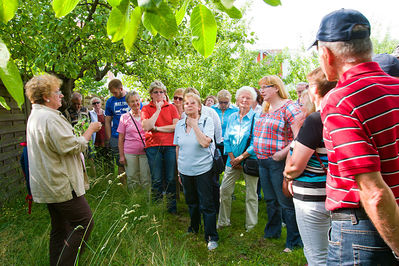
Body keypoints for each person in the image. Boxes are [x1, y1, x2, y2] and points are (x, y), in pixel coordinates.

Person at [312, 8, 399, 264]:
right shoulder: (394, 88)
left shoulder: (342, 99)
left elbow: (374, 192)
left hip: (366, 229)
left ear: (326, 54)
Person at [25, 74, 102, 266]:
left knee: (60, 228)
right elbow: (71, 146)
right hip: (61, 183)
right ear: (46, 96)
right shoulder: (48, 118)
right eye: (57, 92)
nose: (61, 95)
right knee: (85, 222)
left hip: (50, 182)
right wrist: (90, 130)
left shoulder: (38, 115)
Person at [283, 68, 336, 266]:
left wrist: (288, 177)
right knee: (333, 251)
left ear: (315, 91)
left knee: (317, 256)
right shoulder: (342, 115)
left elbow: (295, 165)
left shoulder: (316, 120)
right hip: (334, 194)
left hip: (312, 199)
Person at [253, 75, 302, 253]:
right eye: (261, 87)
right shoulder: (265, 108)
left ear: (276, 88)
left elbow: (300, 136)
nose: (262, 91)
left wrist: (282, 153)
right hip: (263, 161)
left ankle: (294, 240)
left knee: (285, 202)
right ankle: (272, 232)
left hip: (278, 162)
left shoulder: (289, 107)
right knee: (270, 199)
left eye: (265, 87)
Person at [173, 93, 219, 250]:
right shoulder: (179, 125)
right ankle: (193, 228)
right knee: (191, 202)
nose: (189, 105)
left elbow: (205, 143)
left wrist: (194, 125)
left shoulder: (207, 121)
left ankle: (211, 236)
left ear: (199, 106)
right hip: (185, 170)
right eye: (186, 103)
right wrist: (179, 170)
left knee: (207, 204)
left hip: (203, 170)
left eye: (193, 103)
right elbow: (178, 147)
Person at [217, 86, 259, 231]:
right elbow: (226, 139)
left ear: (253, 101)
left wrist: (241, 158)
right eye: (242, 97)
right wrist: (232, 158)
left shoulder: (256, 117)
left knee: (251, 194)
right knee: (224, 190)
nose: (245, 100)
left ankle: (251, 226)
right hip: (231, 161)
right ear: (237, 99)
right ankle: (223, 221)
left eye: (248, 98)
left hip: (249, 161)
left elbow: (256, 143)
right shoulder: (232, 117)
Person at [141, 80, 180, 214]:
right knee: (156, 178)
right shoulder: (146, 108)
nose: (159, 94)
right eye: (156, 92)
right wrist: (157, 110)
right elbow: (146, 126)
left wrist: (157, 128)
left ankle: (171, 208)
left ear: (165, 94)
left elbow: (175, 127)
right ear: (151, 94)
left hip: (169, 145)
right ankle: (157, 208)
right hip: (153, 146)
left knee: (170, 178)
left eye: (161, 92)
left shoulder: (172, 107)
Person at [182, 87, 223, 212]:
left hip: (208, 155)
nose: (191, 103)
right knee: (195, 188)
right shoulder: (183, 116)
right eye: (187, 99)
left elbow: (217, 134)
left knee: (213, 184)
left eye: (194, 98)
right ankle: (199, 211)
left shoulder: (210, 113)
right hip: (191, 159)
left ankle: (215, 208)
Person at [117, 91, 151, 190]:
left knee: (146, 178)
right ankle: (134, 200)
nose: (135, 103)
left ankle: (147, 201)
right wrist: (121, 156)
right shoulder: (124, 117)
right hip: (130, 152)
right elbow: (121, 138)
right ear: (128, 103)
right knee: (132, 177)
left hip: (145, 151)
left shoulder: (146, 115)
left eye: (137, 100)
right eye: (132, 101)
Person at [104, 79, 129, 168]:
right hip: (116, 136)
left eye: (115, 92)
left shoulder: (131, 98)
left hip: (131, 137)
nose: (113, 95)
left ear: (121, 89)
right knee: (120, 165)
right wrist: (109, 138)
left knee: (132, 166)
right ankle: (122, 182)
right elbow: (107, 121)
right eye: (112, 93)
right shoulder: (110, 101)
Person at [211, 89, 239, 164]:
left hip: (229, 143)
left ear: (229, 101)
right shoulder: (212, 109)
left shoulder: (236, 110)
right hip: (215, 142)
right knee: (216, 167)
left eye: (226, 103)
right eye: (221, 102)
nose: (223, 105)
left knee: (228, 166)